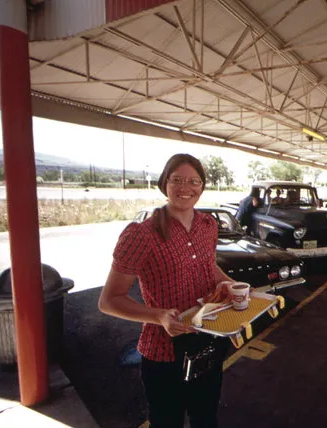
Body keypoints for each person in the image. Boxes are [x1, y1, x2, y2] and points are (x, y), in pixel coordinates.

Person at [98, 153, 235, 428]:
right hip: (164, 354)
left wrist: (228, 283)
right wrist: (159, 316)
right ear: (165, 184)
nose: (186, 188)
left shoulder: (208, 226)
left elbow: (210, 268)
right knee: (166, 422)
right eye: (177, 180)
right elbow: (109, 301)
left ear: (202, 186)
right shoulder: (141, 234)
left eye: (194, 181)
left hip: (208, 340)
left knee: (205, 418)